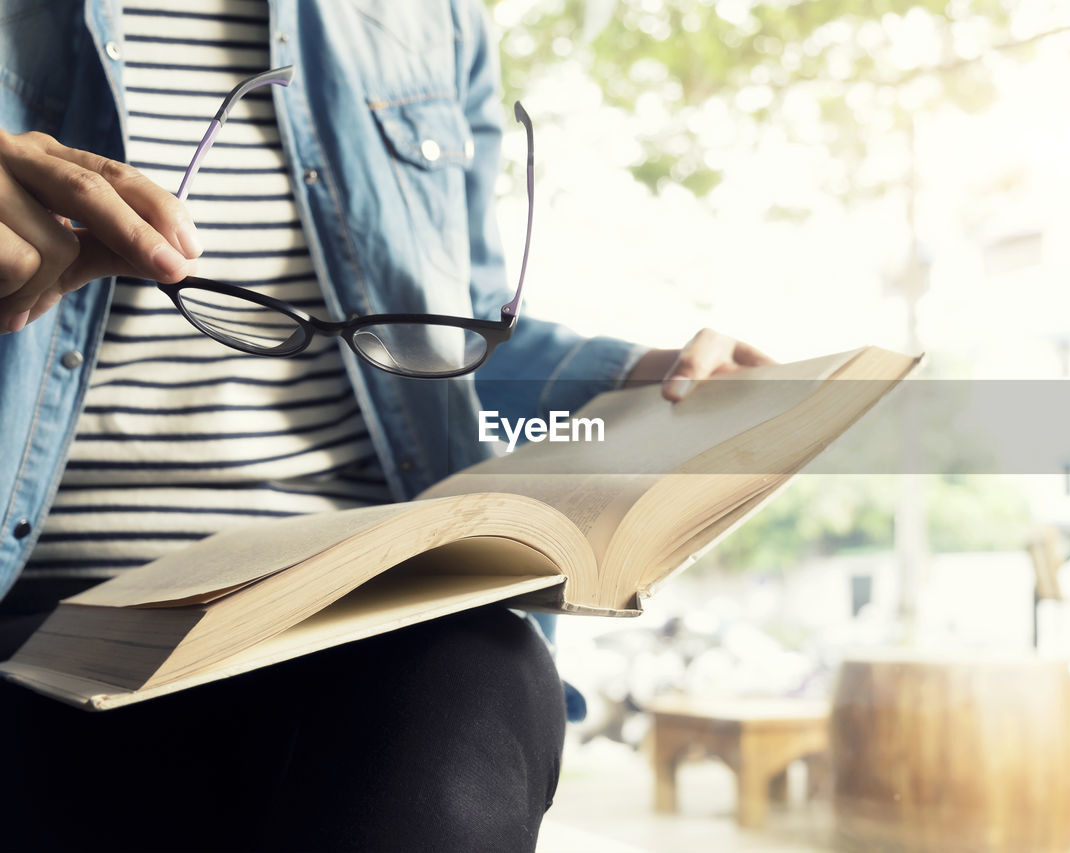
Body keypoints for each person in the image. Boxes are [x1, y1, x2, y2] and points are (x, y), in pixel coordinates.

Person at [0, 1, 770, 850]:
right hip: (39, 623)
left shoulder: (430, 17)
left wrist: (639, 381)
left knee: (477, 680)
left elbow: (447, 330)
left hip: (356, 612)